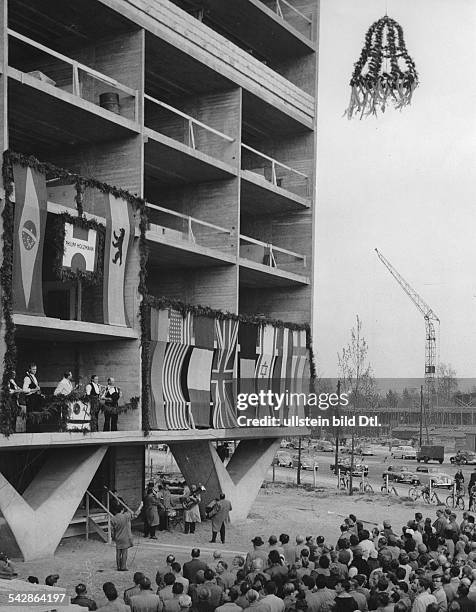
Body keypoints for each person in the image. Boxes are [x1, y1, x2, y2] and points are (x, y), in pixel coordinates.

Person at [110, 498, 143, 571]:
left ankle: (118, 567)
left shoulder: (113, 519)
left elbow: (112, 531)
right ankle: (123, 567)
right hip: (125, 537)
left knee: (118, 553)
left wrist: (113, 537)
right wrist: (140, 507)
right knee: (124, 552)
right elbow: (135, 515)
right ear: (122, 510)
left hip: (118, 538)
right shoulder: (126, 516)